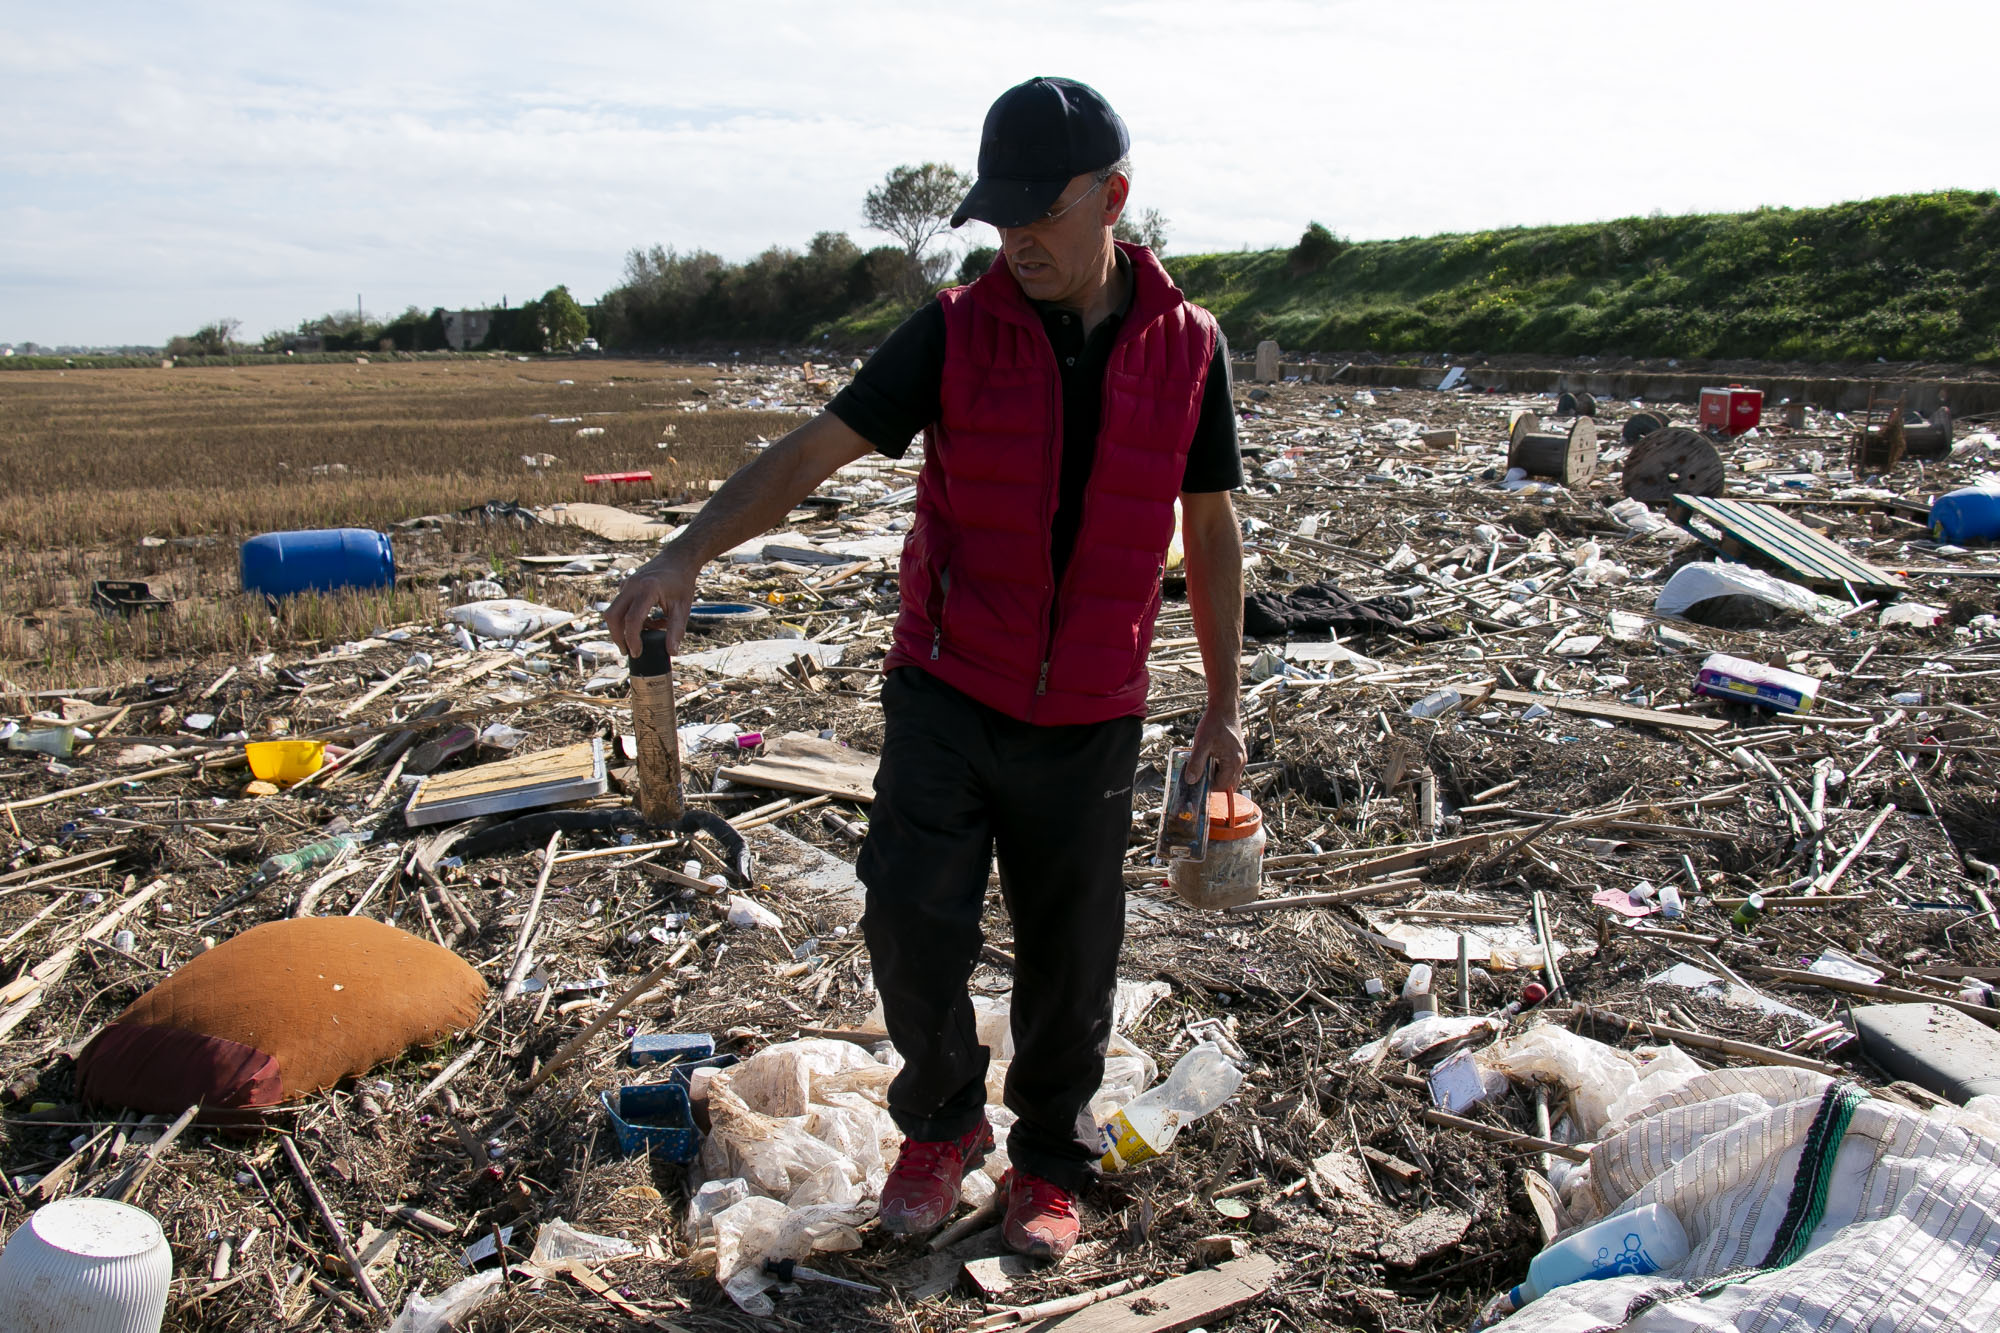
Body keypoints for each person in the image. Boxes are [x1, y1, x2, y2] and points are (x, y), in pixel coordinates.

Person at [607, 75, 1245, 1261]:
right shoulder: (953, 333)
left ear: (1111, 197)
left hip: (1092, 710)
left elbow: (1208, 528)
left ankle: (1046, 1156)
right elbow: (813, 450)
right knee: (908, 922)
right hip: (949, 688)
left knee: (1072, 955)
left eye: (1041, 212)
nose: (1017, 241)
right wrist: (686, 551)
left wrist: (1222, 704)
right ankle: (941, 1125)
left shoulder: (1187, 348)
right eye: (999, 217)